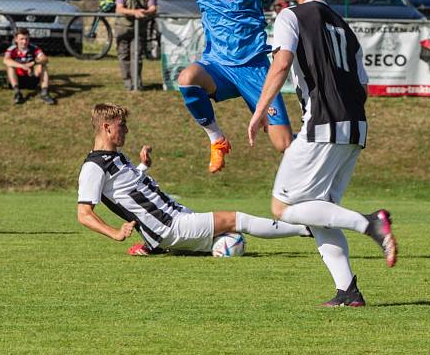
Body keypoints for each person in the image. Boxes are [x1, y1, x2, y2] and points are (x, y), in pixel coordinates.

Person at [248, 0, 397, 307]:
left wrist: (259, 111)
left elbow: (281, 63)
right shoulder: (344, 27)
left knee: (282, 208)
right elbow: (363, 85)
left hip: (321, 124)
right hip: (355, 126)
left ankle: (370, 222)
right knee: (321, 211)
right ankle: (348, 291)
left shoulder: (291, 16)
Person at [134, 0, 294, 173]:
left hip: (255, 70)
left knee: (283, 143)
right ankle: (217, 140)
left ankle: (310, 179)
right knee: (187, 78)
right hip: (218, 66)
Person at [77, 103, 311, 256]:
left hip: (174, 220)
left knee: (225, 238)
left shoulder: (114, 158)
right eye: (122, 125)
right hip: (171, 226)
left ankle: (161, 247)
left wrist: (142, 167)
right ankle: (304, 228)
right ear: (107, 128)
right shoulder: (94, 166)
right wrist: (115, 233)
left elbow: (128, 191)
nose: (126, 130)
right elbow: (84, 214)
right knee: (237, 219)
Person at [115, 0, 157, 90]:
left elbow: (153, 7)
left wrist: (145, 12)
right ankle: (128, 83)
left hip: (140, 28)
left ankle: (137, 84)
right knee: (123, 55)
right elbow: (119, 8)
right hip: (123, 27)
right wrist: (134, 12)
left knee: (137, 56)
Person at [3, 27, 56, 105]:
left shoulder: (34, 48)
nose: (24, 42)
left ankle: (44, 94)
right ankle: (17, 93)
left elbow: (45, 59)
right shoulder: (12, 49)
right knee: (10, 66)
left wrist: (33, 62)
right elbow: (5, 60)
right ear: (16, 39)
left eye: (26, 39)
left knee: (43, 66)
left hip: (31, 78)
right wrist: (22, 66)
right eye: (22, 39)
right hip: (17, 79)